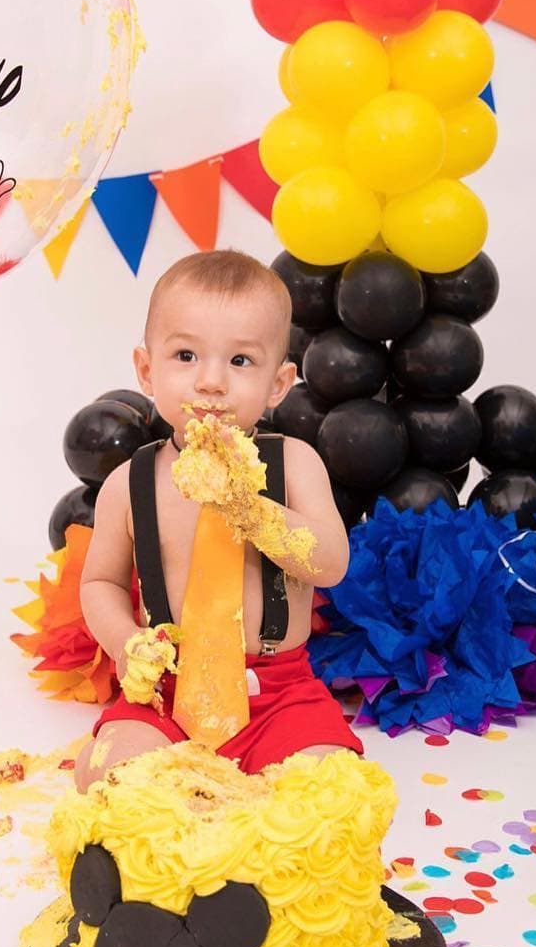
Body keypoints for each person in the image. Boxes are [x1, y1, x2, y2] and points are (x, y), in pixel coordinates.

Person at [74, 249, 361, 792]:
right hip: (165, 687)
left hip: (278, 690)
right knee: (106, 769)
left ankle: (265, 846)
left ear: (278, 385)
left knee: (333, 786)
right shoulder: (129, 484)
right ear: (146, 370)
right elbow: (100, 582)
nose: (211, 382)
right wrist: (127, 641)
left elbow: (329, 565)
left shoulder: (293, 464)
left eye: (240, 362)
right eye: (185, 355)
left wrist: (254, 510)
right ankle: (173, 834)